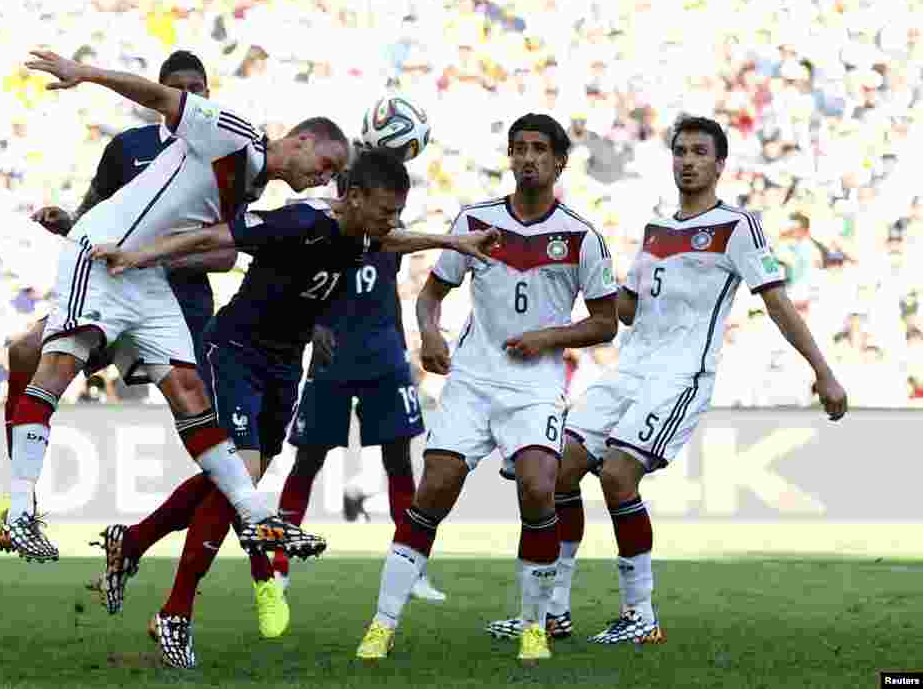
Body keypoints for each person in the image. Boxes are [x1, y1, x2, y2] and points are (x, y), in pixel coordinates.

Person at [88, 148, 500, 668]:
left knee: (231, 480)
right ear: (351, 198)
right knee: (242, 473)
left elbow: (392, 239)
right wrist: (137, 256)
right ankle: (176, 612)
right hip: (234, 353)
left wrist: (452, 241)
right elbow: (214, 237)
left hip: (285, 367)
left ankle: (134, 543)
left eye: (396, 213)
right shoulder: (298, 221)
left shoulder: (365, 231)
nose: (390, 223)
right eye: (384, 210)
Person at [486, 115, 848, 645]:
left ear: (720, 164)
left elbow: (777, 304)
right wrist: (598, 272)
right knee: (556, 474)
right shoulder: (657, 231)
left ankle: (641, 614)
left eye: (700, 152)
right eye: (681, 151)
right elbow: (627, 310)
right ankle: (552, 611)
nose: (688, 161)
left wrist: (824, 372)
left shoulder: (737, 227)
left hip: (680, 376)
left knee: (616, 476)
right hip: (628, 371)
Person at [0, 48, 350, 563]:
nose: (326, 177)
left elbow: (215, 243)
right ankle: (19, 511)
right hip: (101, 252)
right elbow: (162, 96)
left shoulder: (250, 185)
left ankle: (257, 517)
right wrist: (85, 73)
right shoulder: (235, 133)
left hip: (143, 271)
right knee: (55, 368)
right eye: (327, 164)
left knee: (188, 390)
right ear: (301, 140)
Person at [355, 114, 619, 663]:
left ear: (559, 162)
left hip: (535, 386)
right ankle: (382, 623)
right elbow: (431, 295)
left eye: (539, 149)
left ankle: (533, 626)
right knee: (435, 489)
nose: (527, 158)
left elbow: (606, 322)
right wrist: (428, 333)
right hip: (473, 381)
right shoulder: (477, 221)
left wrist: (549, 336)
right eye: (519, 148)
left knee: (539, 488)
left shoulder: (580, 236)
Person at [0, 50, 236, 532]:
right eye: (178, 89)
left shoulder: (223, 155)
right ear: (161, 98)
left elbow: (226, 253)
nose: (188, 98)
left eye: (197, 89)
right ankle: (19, 497)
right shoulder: (128, 147)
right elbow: (93, 217)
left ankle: (250, 536)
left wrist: (152, 254)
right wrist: (68, 223)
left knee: (218, 433)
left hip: (178, 307)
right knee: (25, 351)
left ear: (210, 94)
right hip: (111, 291)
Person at [269, 167, 445, 604]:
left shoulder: (389, 229)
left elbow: (401, 231)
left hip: (385, 356)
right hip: (331, 358)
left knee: (399, 462)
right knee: (306, 461)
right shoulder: (319, 230)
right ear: (351, 196)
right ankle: (278, 566)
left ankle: (412, 569)